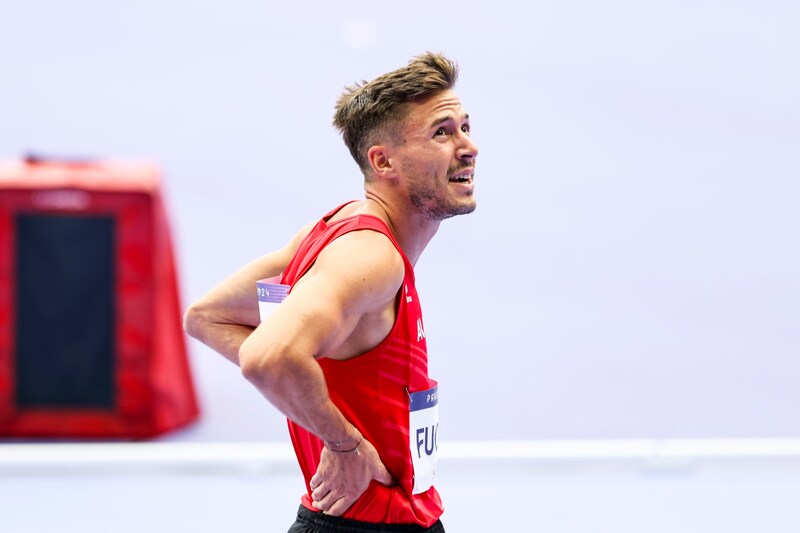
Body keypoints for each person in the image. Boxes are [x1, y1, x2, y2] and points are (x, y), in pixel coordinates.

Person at [183, 51, 478, 532]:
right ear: (384, 161)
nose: (468, 147)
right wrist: (343, 444)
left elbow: (207, 316)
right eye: (442, 133)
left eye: (466, 126)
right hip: (366, 525)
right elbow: (266, 357)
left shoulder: (334, 228)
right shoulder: (370, 259)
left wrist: (315, 407)